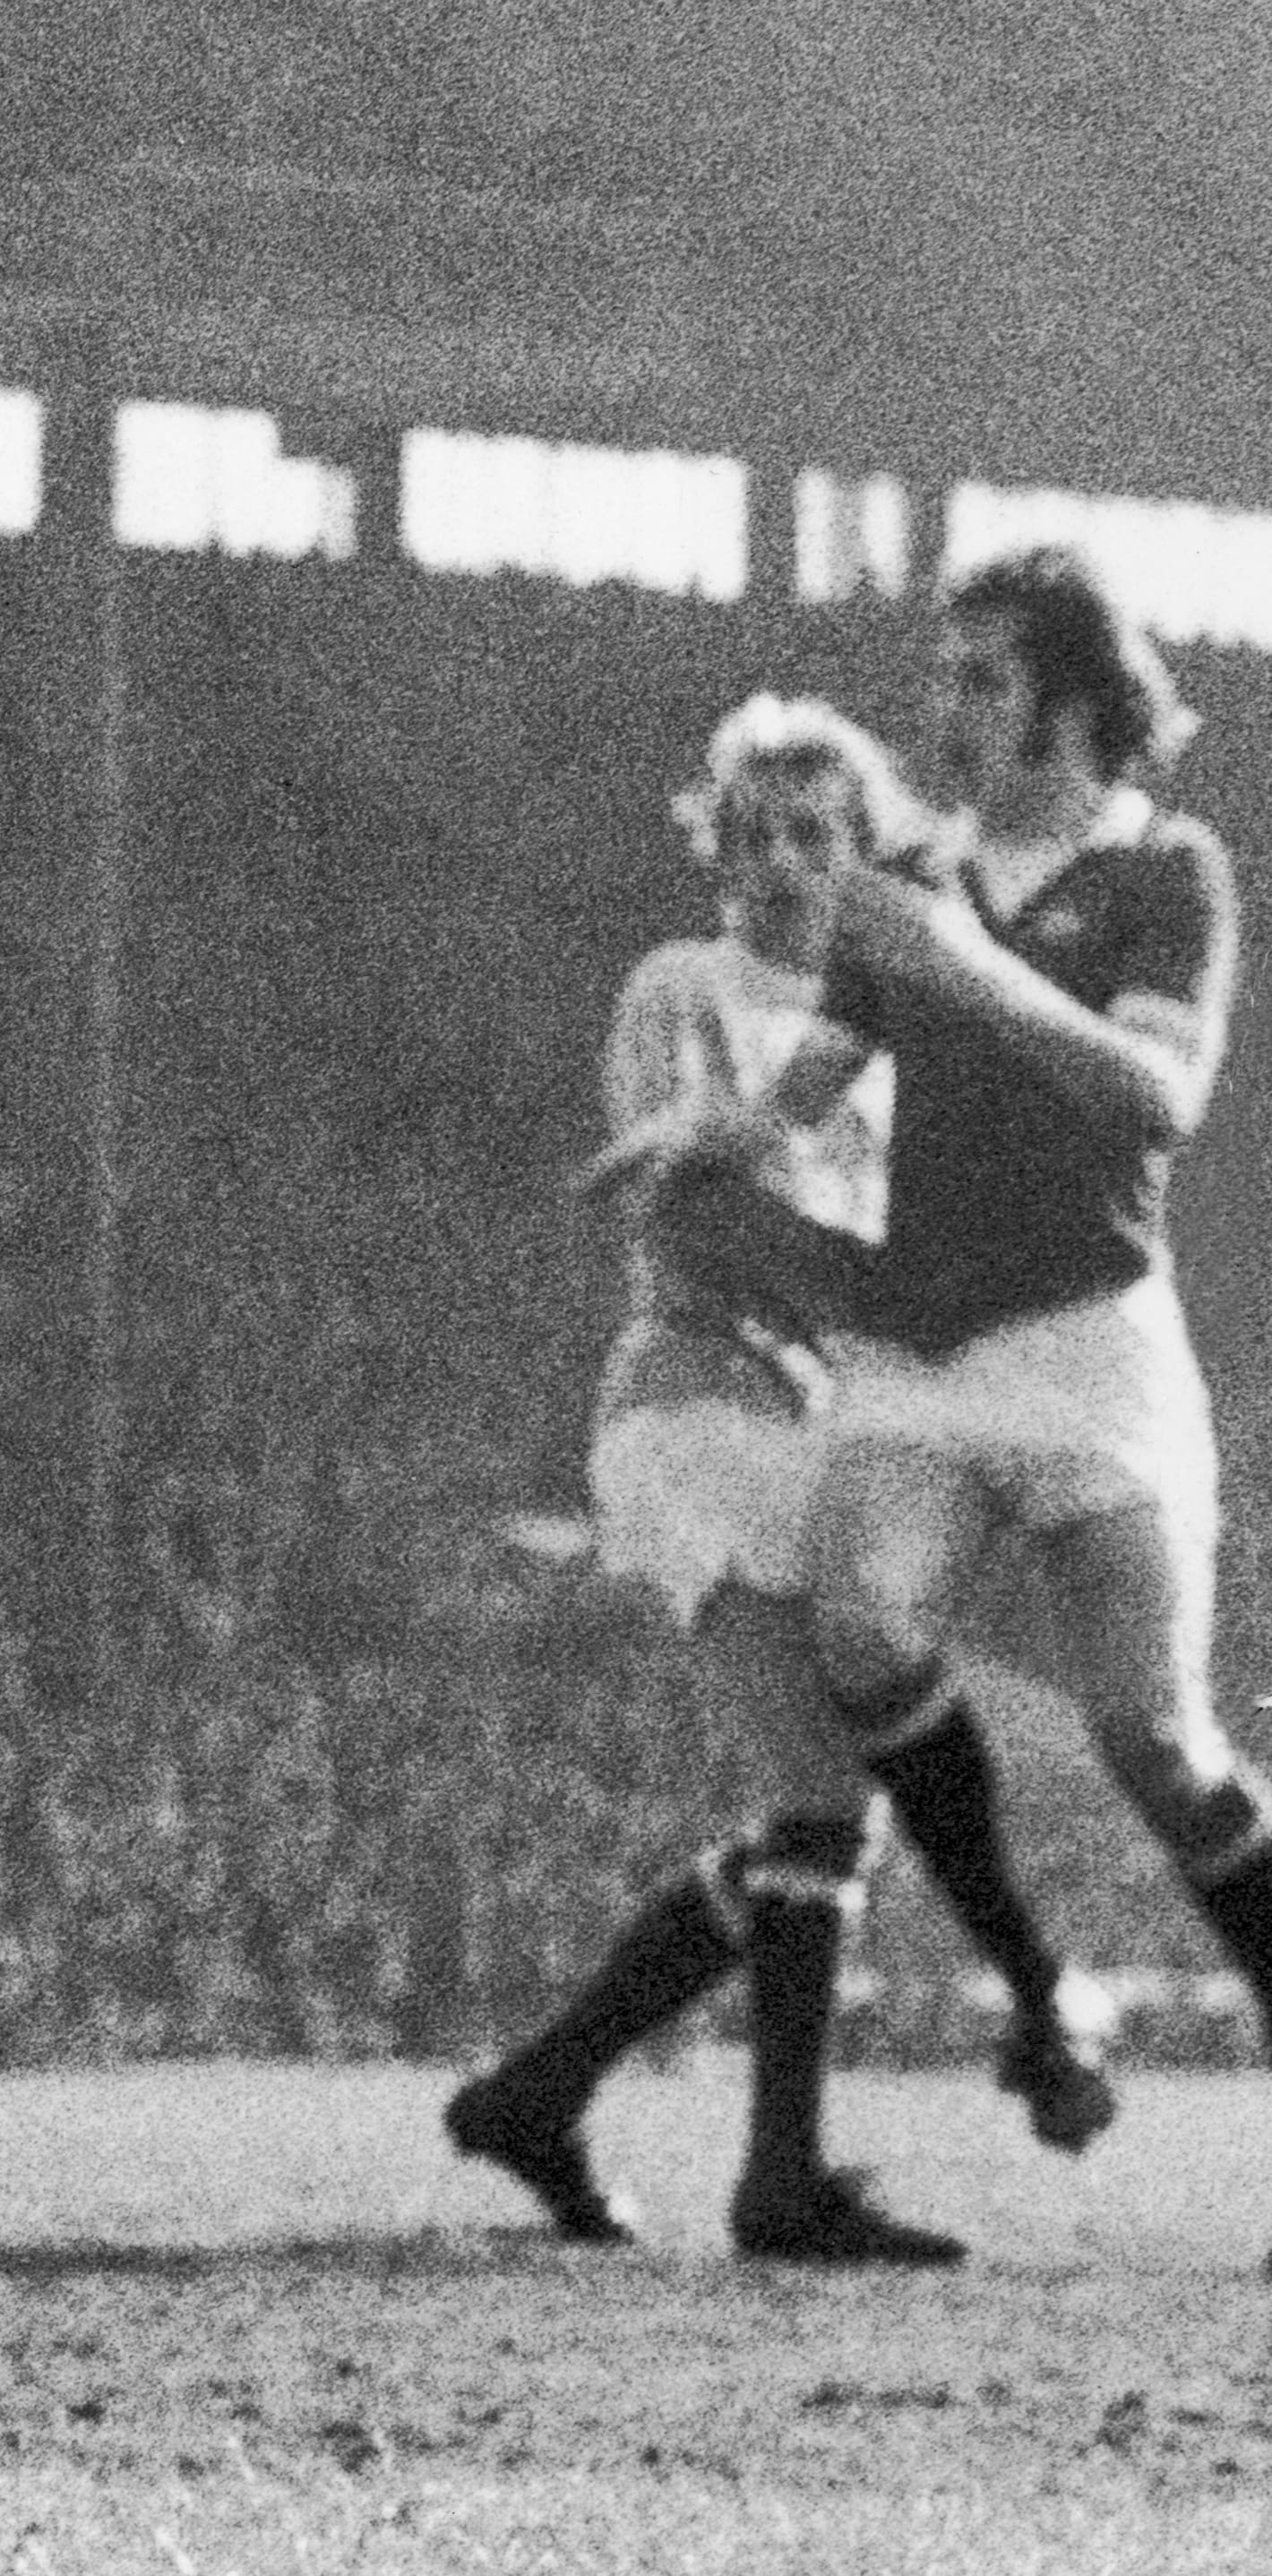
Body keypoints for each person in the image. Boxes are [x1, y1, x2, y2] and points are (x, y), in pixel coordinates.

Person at [442, 696, 1109, 2263]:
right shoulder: (679, 987)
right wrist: (902, 1295)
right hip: (695, 1410)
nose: (774, 864)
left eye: (810, 833)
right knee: (859, 1761)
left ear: (860, 849)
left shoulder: (888, 1035)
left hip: (804, 1421)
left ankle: (538, 2095)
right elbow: (683, 1219)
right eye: (744, 834)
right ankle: (883, 2102)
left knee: (818, 1811)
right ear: (712, 851)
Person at [690, 550, 1272, 2261]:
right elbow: (805, 1091)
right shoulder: (907, 879)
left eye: (976, 679)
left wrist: (959, 966)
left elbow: (1153, 1099)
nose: (938, 709)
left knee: (1153, 1740)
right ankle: (1034, 1978)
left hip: (1091, 1342)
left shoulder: (1165, 867)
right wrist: (707, 1135)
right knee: (860, 1629)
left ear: (1070, 700)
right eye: (938, 675)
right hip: (922, 1358)